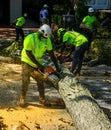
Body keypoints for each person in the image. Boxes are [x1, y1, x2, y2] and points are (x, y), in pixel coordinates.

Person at [20, 24, 61, 106]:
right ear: (40, 33)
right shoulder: (30, 38)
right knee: (26, 79)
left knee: (40, 80)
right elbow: (28, 52)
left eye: (46, 38)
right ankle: (22, 97)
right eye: (43, 37)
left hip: (38, 62)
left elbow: (51, 53)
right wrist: (38, 65)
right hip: (27, 61)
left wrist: (57, 66)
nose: (45, 39)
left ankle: (42, 99)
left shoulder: (47, 40)